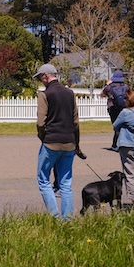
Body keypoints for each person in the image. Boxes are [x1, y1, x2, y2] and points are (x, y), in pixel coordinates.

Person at [34, 63, 82, 220]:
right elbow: (75, 122)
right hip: (69, 142)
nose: (41, 81)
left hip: (51, 142)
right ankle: (67, 219)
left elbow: (41, 122)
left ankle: (54, 216)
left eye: (41, 77)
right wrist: (77, 144)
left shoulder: (45, 95)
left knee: (43, 179)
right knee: (65, 183)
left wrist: (42, 137)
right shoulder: (70, 93)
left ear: (46, 76)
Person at [101, 70, 128, 151]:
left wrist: (107, 85)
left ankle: (115, 145)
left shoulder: (109, 87)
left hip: (112, 108)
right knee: (123, 125)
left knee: (116, 126)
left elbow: (102, 94)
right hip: (123, 108)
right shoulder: (126, 87)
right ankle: (121, 143)